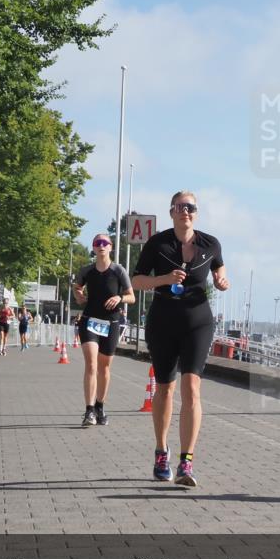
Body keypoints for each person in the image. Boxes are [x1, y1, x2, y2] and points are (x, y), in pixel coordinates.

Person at [132, 191, 229, 487]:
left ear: (196, 213)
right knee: (165, 390)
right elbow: (136, 280)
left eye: (190, 207)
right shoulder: (158, 243)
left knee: (192, 387)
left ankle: (186, 463)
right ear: (171, 212)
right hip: (163, 321)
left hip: (198, 321)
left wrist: (221, 279)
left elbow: (219, 266)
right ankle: (161, 453)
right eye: (180, 207)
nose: (185, 211)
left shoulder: (210, 243)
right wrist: (164, 280)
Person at [74, 233, 134, 427]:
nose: (101, 246)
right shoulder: (86, 270)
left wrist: (120, 298)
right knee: (91, 364)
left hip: (111, 323)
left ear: (111, 247)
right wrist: (79, 295)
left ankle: (100, 406)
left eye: (104, 243)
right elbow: (77, 288)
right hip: (90, 320)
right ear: (93, 248)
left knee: (104, 367)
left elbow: (131, 297)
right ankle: (89, 410)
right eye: (97, 243)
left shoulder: (118, 271)